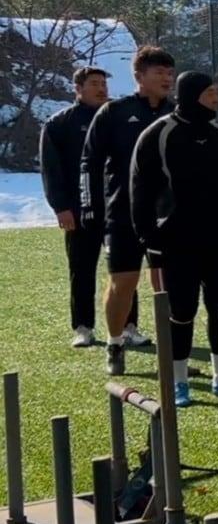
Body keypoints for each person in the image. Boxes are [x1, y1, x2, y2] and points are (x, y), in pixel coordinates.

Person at [130, 72, 218, 406]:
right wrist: (148, 237)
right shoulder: (159, 134)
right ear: (191, 95)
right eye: (209, 93)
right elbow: (140, 190)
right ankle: (179, 380)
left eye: (216, 92)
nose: (216, 98)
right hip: (177, 242)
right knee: (181, 311)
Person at [80, 46, 174, 374]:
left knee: (169, 284)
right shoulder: (114, 112)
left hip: (167, 214)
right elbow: (89, 162)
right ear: (139, 76)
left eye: (169, 73)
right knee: (123, 282)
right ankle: (115, 343)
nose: (167, 79)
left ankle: (173, 354)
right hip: (123, 213)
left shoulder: (177, 113)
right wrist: (89, 206)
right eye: (159, 72)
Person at [40, 67, 139, 348]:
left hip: (118, 208)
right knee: (82, 269)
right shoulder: (60, 123)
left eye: (103, 83)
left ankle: (129, 326)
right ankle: (83, 327)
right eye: (94, 83)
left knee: (124, 269)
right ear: (78, 89)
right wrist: (61, 207)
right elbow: (51, 170)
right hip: (79, 210)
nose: (101, 89)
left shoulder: (120, 116)